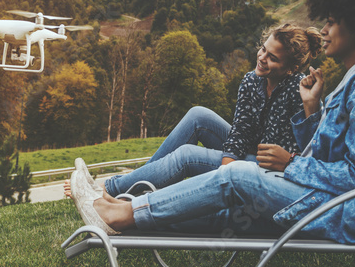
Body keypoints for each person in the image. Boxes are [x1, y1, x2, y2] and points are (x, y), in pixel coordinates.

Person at [69, 0, 355, 245]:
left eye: (333, 22)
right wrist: (312, 108)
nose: (324, 30)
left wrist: (290, 165)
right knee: (233, 208)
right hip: (349, 204)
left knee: (236, 177)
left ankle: (124, 213)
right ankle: (130, 207)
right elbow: (329, 158)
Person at [64, 23, 323, 201]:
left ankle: (106, 190)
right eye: (263, 48)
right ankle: (135, 185)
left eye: (272, 58)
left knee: (187, 156)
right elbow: (241, 130)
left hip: (270, 167)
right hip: (248, 151)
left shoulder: (298, 90)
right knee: (198, 114)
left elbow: (308, 150)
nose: (262, 57)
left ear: (290, 68)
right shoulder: (251, 81)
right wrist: (228, 161)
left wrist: (231, 170)